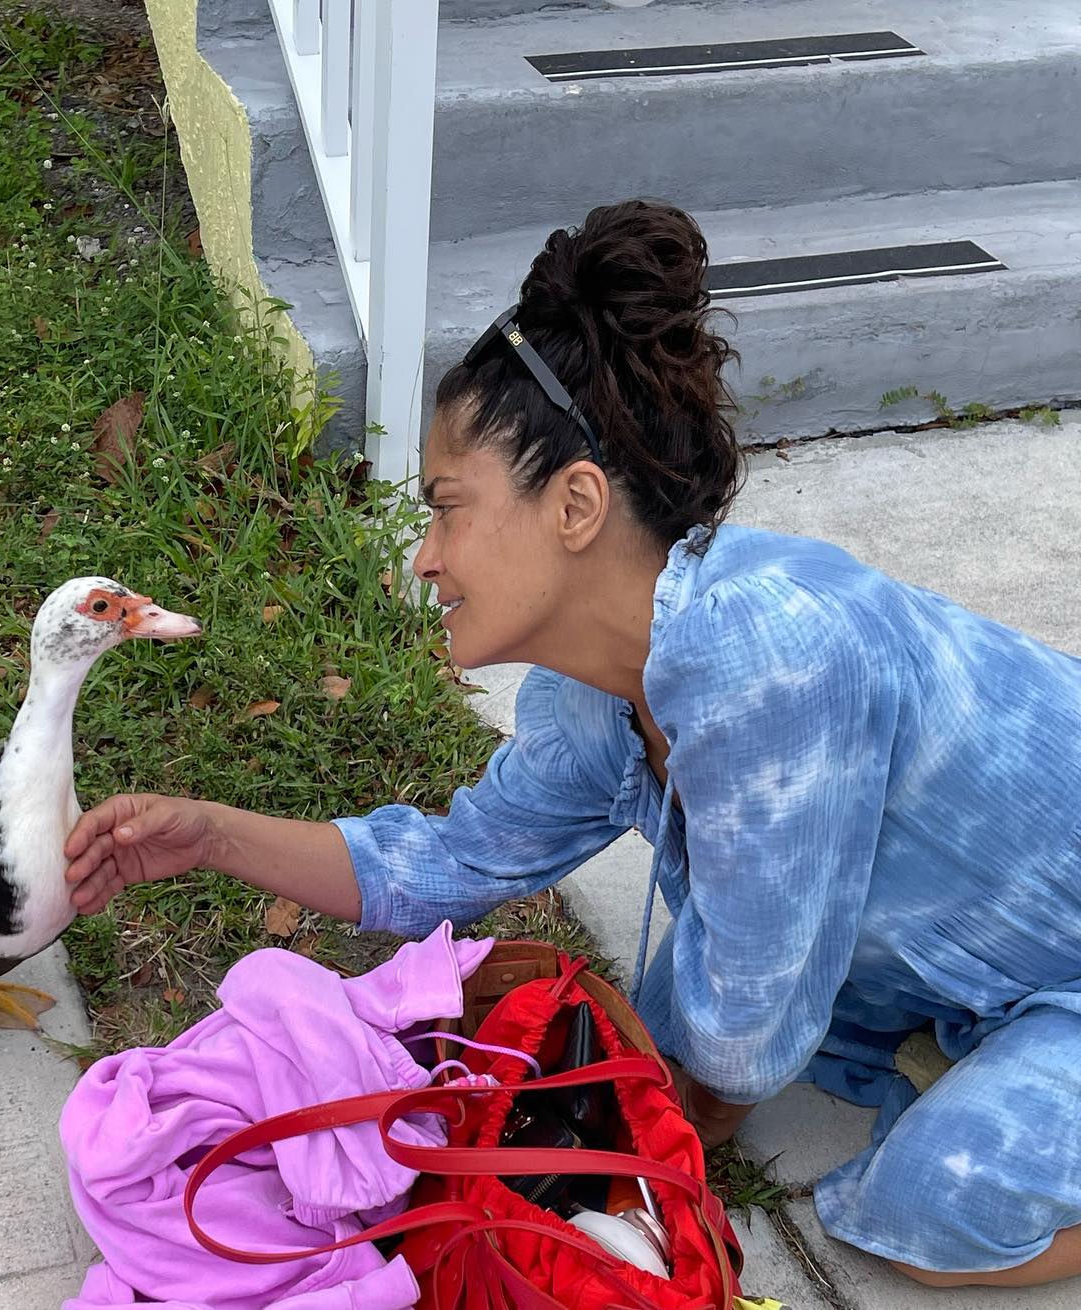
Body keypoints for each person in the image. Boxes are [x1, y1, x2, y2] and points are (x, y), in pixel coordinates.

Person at [63, 199, 1081, 1289]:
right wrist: (210, 835)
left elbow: (748, 1030)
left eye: (447, 508)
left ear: (577, 504)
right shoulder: (596, 694)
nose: (424, 557)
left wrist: (660, 1144)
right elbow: (447, 863)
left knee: (922, 1212)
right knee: (658, 1024)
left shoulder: (770, 656)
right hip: (986, 933)